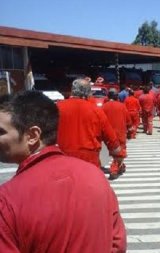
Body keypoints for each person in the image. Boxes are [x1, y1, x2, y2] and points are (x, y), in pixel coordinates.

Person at [0, 90, 126, 252]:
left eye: (1, 132)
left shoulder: (8, 199)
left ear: (33, 135)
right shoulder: (97, 177)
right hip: (86, 162)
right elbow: (117, 243)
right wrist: (117, 152)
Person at [57, 78, 124, 171]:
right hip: (89, 161)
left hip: (63, 159)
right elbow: (110, 137)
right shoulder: (96, 110)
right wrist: (118, 154)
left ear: (72, 90)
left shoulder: (57, 108)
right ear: (89, 93)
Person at [102, 88, 132, 180]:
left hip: (107, 134)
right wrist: (130, 129)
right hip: (120, 133)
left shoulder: (104, 107)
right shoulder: (122, 106)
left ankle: (121, 166)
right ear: (116, 96)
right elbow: (128, 121)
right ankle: (114, 170)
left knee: (116, 152)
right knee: (119, 153)